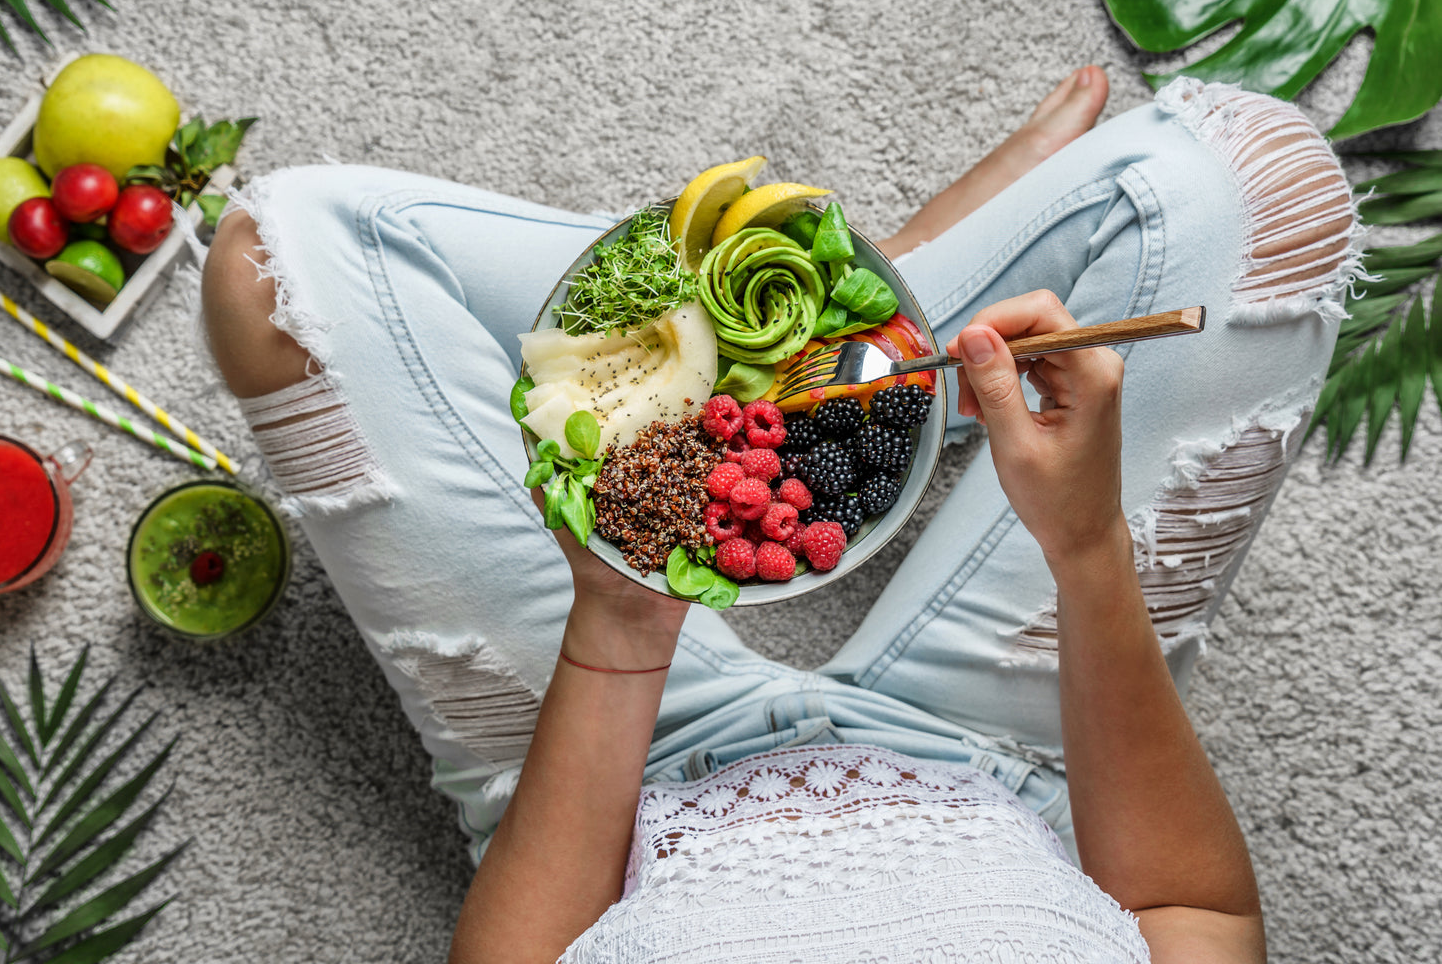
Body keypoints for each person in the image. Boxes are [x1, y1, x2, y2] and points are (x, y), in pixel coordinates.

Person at [200, 67, 1359, 962]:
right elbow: (1191, 910)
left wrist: (615, 629)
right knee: (1259, 185)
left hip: (618, 785)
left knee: (274, 267)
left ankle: (868, 338)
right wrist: (1085, 545)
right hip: (1022, 760)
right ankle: (880, 346)